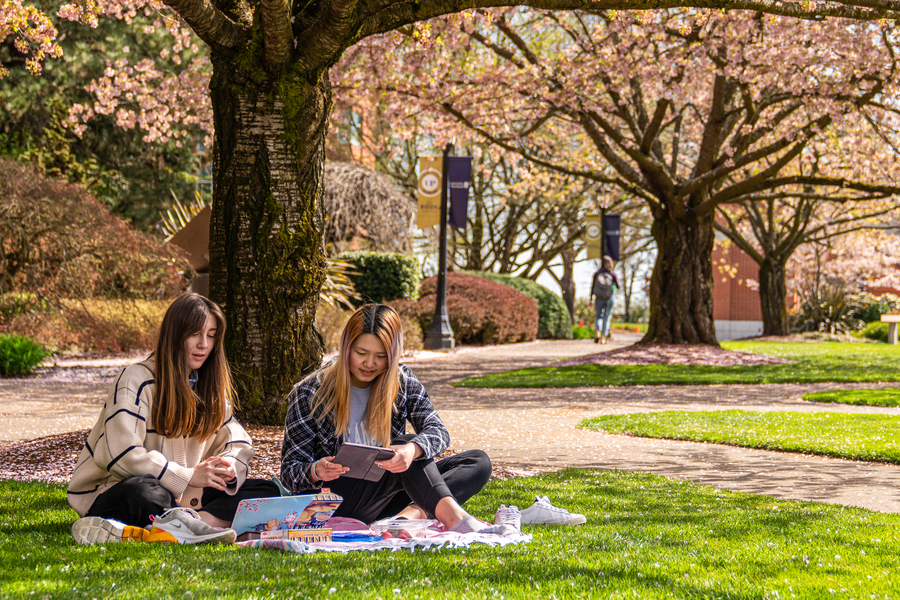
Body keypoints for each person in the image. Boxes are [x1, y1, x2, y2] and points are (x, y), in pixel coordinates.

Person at [67, 294, 279, 545]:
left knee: (267, 491)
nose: (203, 344)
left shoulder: (207, 388)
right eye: (195, 334)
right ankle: (190, 525)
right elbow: (120, 453)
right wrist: (189, 476)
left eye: (211, 335)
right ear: (175, 335)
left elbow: (238, 442)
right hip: (118, 492)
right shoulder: (135, 379)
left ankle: (194, 525)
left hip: (185, 500)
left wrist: (228, 467)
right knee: (143, 491)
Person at [280, 304, 501, 533]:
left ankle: (407, 516)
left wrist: (412, 450)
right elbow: (289, 473)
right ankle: (455, 519)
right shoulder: (310, 392)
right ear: (346, 348)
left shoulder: (401, 380)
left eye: (381, 356)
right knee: (401, 444)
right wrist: (316, 470)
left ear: (393, 355)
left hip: (384, 499)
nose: (369, 364)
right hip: (333, 501)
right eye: (361, 353)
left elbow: (438, 431)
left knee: (477, 462)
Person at [589, 255, 619, 345]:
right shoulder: (612, 274)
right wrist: (612, 289)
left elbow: (593, 286)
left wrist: (591, 298)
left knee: (598, 316)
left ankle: (597, 333)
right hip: (609, 298)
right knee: (607, 317)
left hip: (598, 298)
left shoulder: (597, 273)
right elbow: (618, 286)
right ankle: (603, 338)